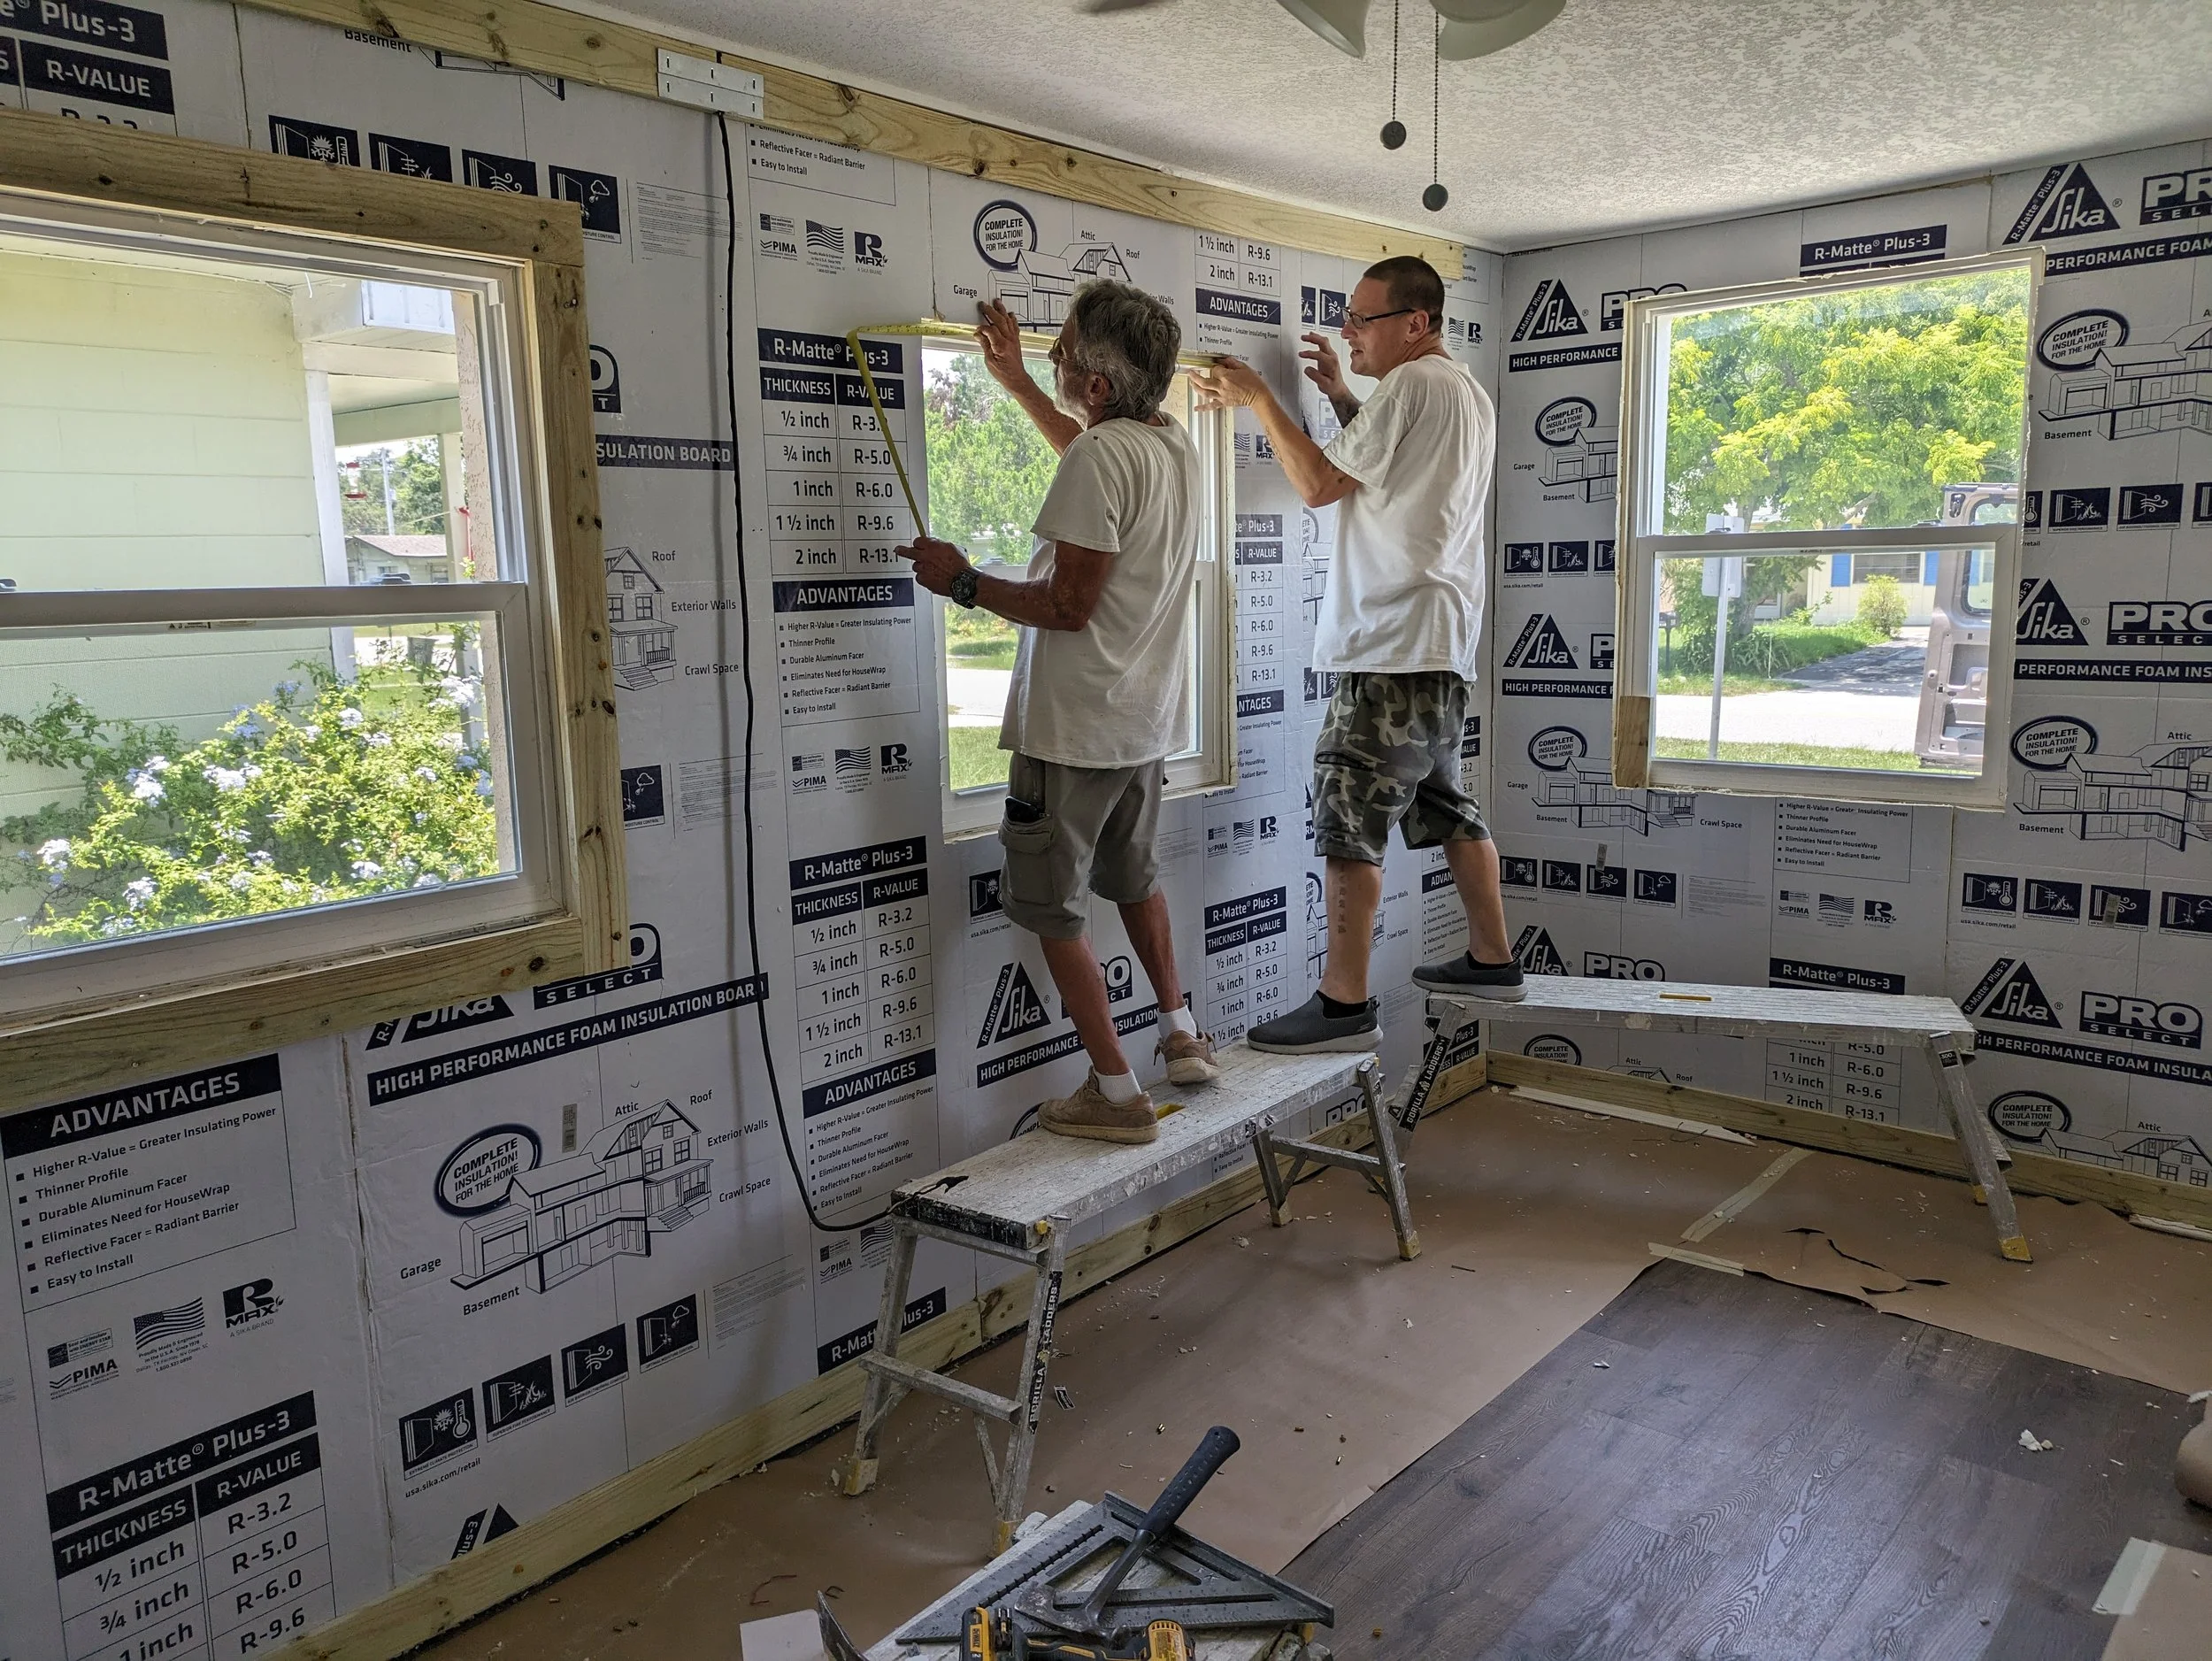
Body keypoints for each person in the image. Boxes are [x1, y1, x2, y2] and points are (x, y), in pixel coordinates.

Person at [898, 285, 1219, 1144]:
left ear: (1100, 385)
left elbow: (1067, 605)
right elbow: (1089, 462)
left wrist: (961, 580)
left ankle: (1115, 1094)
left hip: (1073, 729)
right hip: (1140, 726)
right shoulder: (1169, 442)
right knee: (1136, 879)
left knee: (1050, 908)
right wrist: (1013, 384)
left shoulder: (1100, 456)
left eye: (1063, 351)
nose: (1051, 358)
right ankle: (1181, 1033)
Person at [1192, 255, 1521, 1056]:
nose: (1347, 329)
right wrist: (1341, 395)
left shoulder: (1414, 387)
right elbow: (1388, 465)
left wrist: (1258, 399)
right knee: (1447, 804)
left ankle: (1342, 1005)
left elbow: (1318, 485)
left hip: (1390, 646)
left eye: (1362, 319)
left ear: (1416, 323)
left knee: (1348, 812)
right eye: (1346, 317)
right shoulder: (1461, 390)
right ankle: (1493, 958)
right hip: (1439, 648)